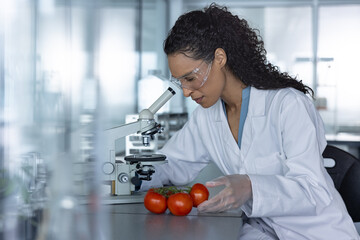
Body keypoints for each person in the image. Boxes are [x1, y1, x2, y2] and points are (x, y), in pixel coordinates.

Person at [140, 3, 359, 239]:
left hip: (316, 233)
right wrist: (130, 178)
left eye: (191, 78)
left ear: (220, 58)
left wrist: (250, 186)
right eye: (180, 81)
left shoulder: (288, 105)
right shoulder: (206, 115)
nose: (185, 91)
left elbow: (313, 190)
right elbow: (173, 163)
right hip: (260, 231)